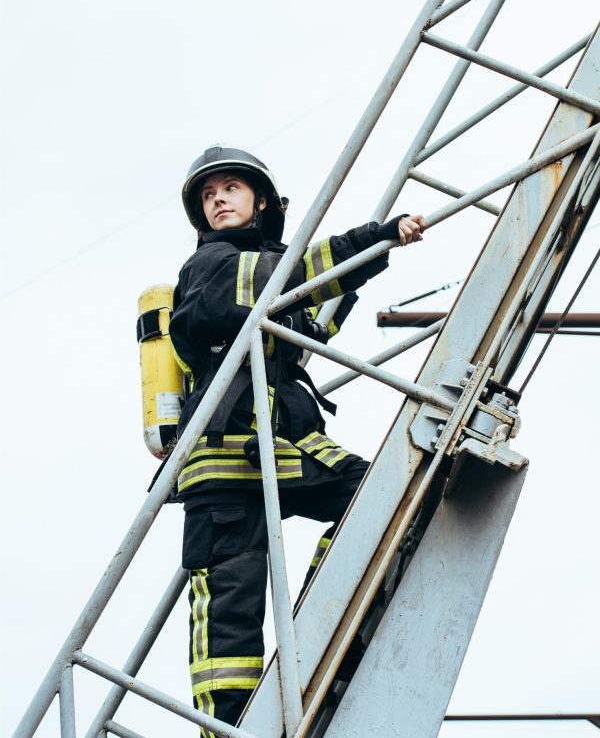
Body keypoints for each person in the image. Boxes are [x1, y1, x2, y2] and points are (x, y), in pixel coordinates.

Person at [169, 144, 426, 732]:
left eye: (230, 190)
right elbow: (289, 280)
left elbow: (316, 311)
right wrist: (370, 238)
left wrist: (381, 246)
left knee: (375, 493)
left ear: (261, 201)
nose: (217, 201)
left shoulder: (269, 270)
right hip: (223, 463)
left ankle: (318, 619)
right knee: (229, 625)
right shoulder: (210, 267)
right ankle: (233, 730)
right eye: (208, 196)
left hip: (278, 448)